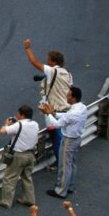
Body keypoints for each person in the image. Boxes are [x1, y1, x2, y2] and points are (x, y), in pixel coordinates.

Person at [23, 38, 72, 170]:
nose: (47, 62)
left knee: (56, 137)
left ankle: (60, 163)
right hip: (66, 110)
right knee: (62, 137)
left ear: (53, 62)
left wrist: (27, 48)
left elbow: (34, 62)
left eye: (48, 60)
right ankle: (63, 161)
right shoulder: (67, 74)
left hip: (53, 112)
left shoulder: (52, 71)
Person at [40, 86, 87, 198]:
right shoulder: (82, 107)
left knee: (65, 165)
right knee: (72, 164)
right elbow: (66, 117)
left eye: (69, 95)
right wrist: (54, 113)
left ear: (74, 98)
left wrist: (48, 113)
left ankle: (60, 190)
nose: (66, 96)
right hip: (77, 138)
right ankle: (70, 185)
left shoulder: (72, 113)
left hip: (68, 140)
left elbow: (56, 124)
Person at [0, 104, 39, 209]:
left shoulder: (18, 126)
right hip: (31, 155)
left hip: (19, 156)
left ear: (22, 114)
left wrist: (6, 124)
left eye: (18, 114)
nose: (16, 115)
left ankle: (6, 201)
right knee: (27, 177)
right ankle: (29, 199)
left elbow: (2, 131)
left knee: (9, 178)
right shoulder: (35, 124)